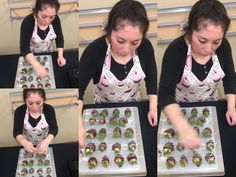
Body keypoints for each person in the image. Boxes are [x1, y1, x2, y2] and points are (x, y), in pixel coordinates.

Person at [78, 0, 158, 148]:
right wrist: (78, 125)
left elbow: (152, 81)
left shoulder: (146, 47)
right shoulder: (94, 51)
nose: (126, 48)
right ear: (109, 30)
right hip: (102, 114)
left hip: (134, 111)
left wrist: (153, 108)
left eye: (135, 43)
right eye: (120, 40)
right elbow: (78, 92)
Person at [158, 0, 236, 149]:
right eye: (202, 40)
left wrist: (232, 107)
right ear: (191, 29)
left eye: (216, 42)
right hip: (179, 111)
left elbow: (230, 78)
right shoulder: (176, 51)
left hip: (212, 108)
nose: (209, 48)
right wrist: (183, 127)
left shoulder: (224, 46)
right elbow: (165, 95)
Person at [20, 0, 66, 78]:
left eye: (52, 17)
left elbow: (59, 38)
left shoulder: (56, 20)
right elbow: (24, 48)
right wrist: (36, 66)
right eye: (44, 16)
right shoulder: (28, 22)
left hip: (49, 53)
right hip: (31, 56)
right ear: (36, 11)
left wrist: (60, 56)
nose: (48, 21)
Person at [13, 89, 58, 154]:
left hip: (45, 143)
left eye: (38, 103)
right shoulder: (20, 111)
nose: (34, 107)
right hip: (26, 144)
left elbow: (54, 129)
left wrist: (46, 141)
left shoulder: (49, 109)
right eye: (30, 103)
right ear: (25, 100)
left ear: (43, 99)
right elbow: (16, 132)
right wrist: (24, 142)